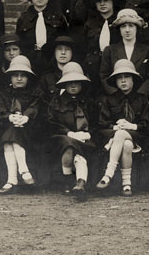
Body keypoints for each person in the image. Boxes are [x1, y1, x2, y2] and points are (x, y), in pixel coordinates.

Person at [96, 59, 149, 197]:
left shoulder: (141, 99)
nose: (123, 81)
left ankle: (108, 174)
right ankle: (127, 184)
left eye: (127, 77)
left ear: (133, 80)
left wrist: (132, 126)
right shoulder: (109, 99)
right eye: (119, 78)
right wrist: (115, 126)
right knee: (125, 143)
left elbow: (147, 124)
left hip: (138, 136)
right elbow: (102, 123)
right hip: (116, 137)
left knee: (121, 135)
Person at [47, 62, 97, 202]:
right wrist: (69, 133)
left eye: (76, 82)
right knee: (69, 145)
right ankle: (70, 179)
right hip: (62, 139)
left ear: (82, 83)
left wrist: (88, 134)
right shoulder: (56, 102)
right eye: (69, 83)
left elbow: (97, 123)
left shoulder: (89, 102)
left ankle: (79, 184)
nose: (73, 86)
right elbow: (51, 124)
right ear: (64, 84)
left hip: (86, 140)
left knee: (79, 156)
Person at [0, 55, 43, 194]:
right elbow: (0, 112)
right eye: (15, 75)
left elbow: (35, 108)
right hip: (9, 128)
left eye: (23, 75)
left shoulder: (34, 93)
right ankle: (22, 172)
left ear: (28, 78)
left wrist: (25, 118)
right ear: (10, 77)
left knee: (11, 136)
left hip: (30, 131)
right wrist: (10, 117)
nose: (19, 78)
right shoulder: (4, 94)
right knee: (9, 136)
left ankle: (13, 178)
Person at [15, 0, 69, 72]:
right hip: (30, 60)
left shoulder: (58, 18)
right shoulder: (23, 19)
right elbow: (20, 43)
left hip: (52, 60)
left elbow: (65, 41)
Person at [99, 8, 149, 96]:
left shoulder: (148, 51)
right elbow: (104, 76)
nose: (127, 30)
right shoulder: (109, 51)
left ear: (137, 28)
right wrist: (115, 94)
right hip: (116, 99)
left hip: (140, 99)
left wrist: (141, 94)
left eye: (131, 26)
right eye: (123, 26)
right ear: (119, 29)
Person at [81, 0, 123, 95]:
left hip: (115, 64)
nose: (102, 4)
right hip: (93, 66)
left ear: (113, 2)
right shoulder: (90, 23)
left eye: (106, 0)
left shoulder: (120, 23)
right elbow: (84, 47)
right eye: (99, 1)